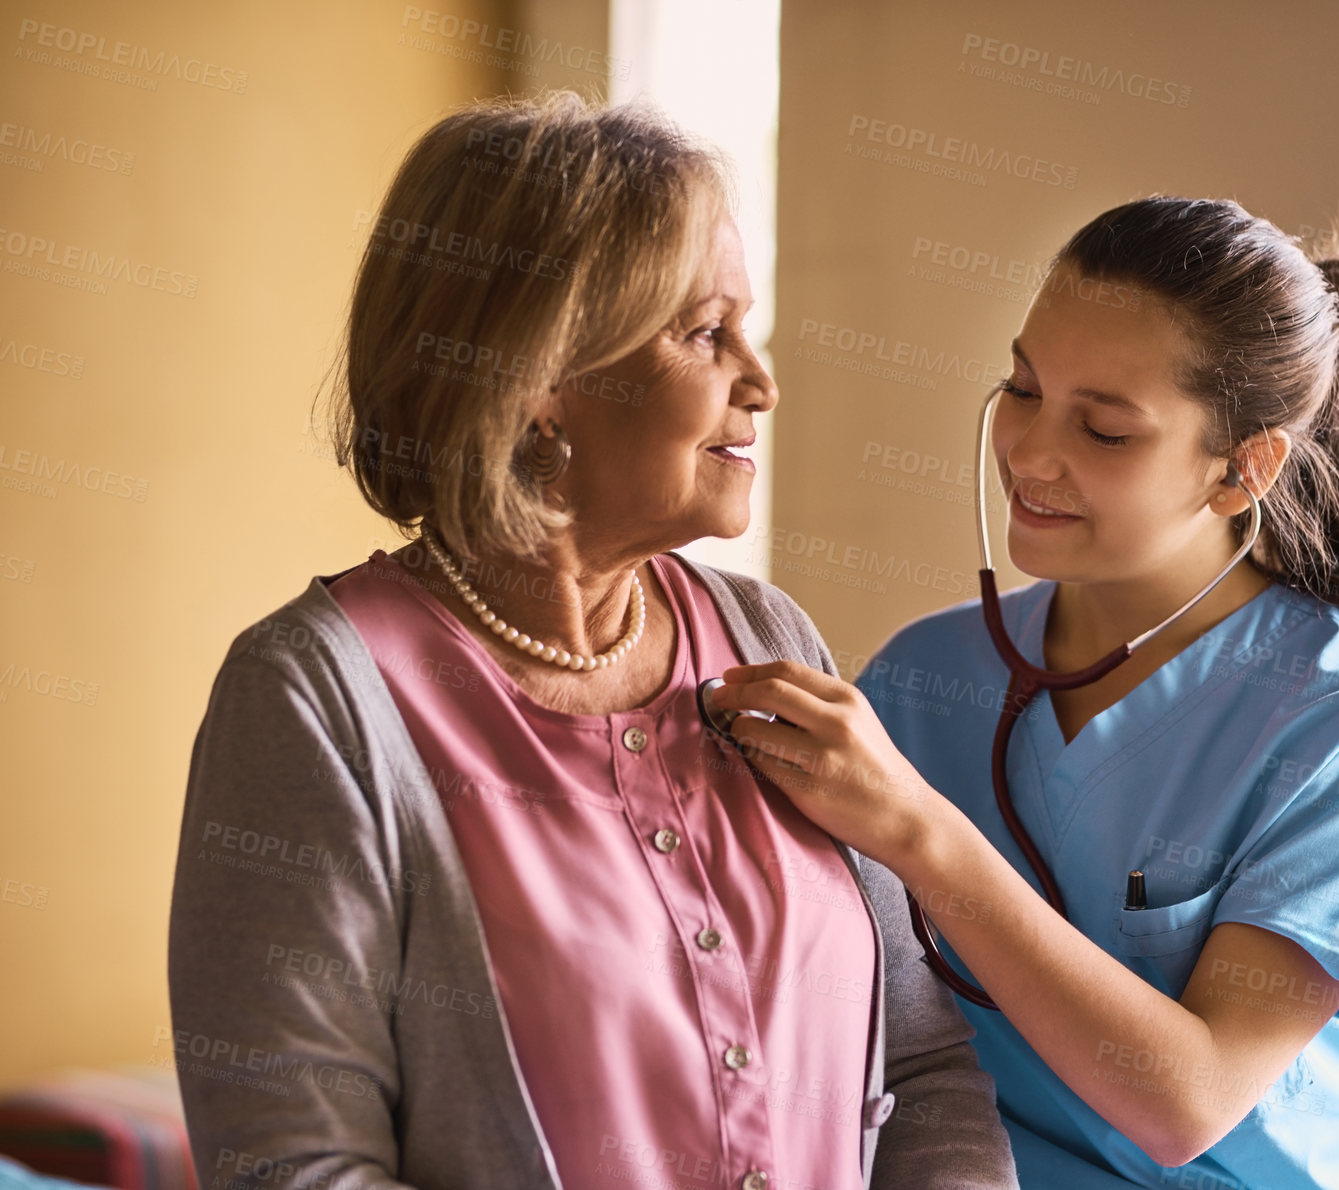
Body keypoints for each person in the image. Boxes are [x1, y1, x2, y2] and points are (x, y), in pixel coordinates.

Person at [167, 91, 1018, 1190]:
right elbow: (290, 1164)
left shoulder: (770, 635)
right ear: (540, 382)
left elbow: (922, 1061)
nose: (759, 383)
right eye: (706, 333)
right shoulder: (316, 696)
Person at [709, 197, 1339, 1187]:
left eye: (1101, 430)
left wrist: (921, 834)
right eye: (1020, 387)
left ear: (1239, 471)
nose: (1028, 453)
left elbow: (1189, 1098)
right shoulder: (921, 681)